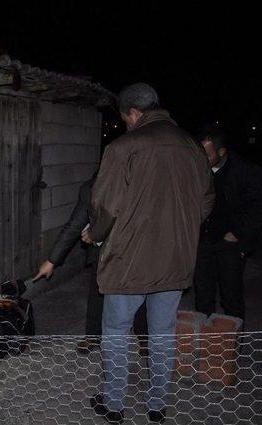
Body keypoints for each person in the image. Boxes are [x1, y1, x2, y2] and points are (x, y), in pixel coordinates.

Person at [85, 83, 214, 423]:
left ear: (134, 113)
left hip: (129, 261)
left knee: (116, 332)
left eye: (126, 118)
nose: (127, 124)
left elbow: (105, 206)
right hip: (175, 259)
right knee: (162, 332)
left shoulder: (123, 147)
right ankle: (157, 406)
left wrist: (94, 234)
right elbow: (206, 203)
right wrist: (179, 230)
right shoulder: (192, 147)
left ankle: (114, 405)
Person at [33, 176, 149, 353]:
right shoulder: (89, 190)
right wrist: (52, 261)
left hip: (135, 247)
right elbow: (74, 225)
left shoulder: (136, 186)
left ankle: (144, 338)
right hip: (102, 250)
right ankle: (93, 336)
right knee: (97, 290)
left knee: (138, 289)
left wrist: (95, 233)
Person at [194, 128, 262, 321]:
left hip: (229, 242)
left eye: (207, 154)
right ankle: (205, 345)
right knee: (203, 294)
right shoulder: (197, 170)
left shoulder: (245, 171)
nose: (202, 158)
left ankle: (234, 346)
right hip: (203, 239)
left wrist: (237, 232)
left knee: (231, 295)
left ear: (222, 152)